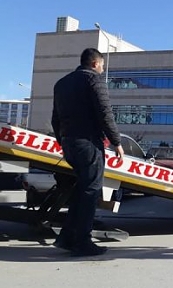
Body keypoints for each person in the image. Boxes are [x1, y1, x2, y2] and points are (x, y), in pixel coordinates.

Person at [51, 48, 125, 257]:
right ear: (95, 64)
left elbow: (55, 119)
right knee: (91, 192)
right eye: (102, 65)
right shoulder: (94, 81)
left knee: (81, 191)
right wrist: (116, 142)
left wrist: (63, 142)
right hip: (88, 143)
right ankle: (82, 242)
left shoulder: (62, 83)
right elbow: (105, 113)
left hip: (69, 143)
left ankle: (66, 238)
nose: (102, 69)